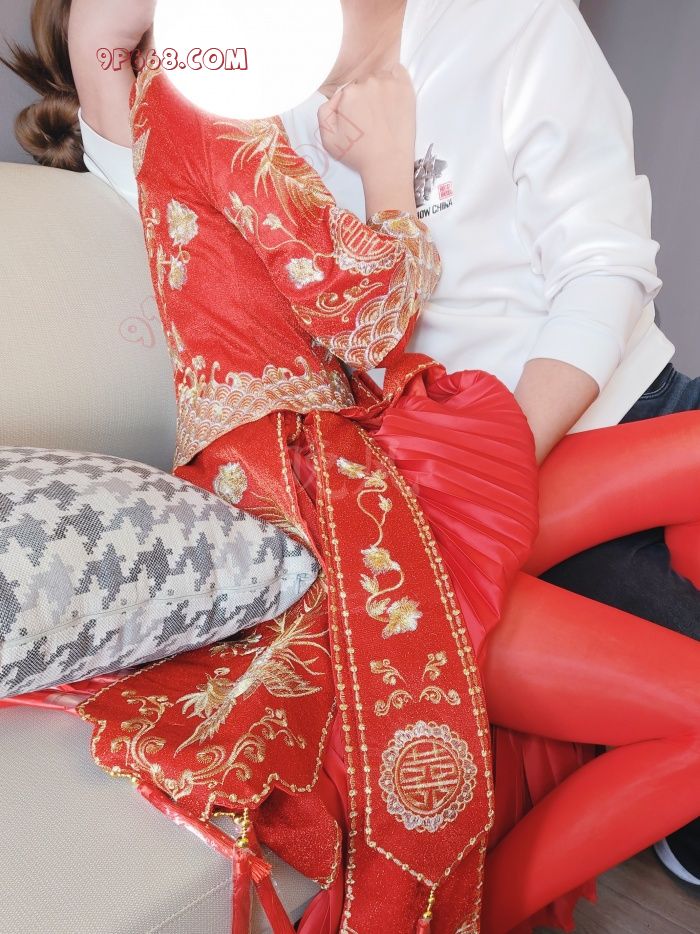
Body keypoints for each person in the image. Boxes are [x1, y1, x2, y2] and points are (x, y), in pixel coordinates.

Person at [3, 2, 700, 931]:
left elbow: (604, 268)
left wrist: (494, 470)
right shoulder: (226, 84)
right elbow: (130, 115)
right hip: (404, 466)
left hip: (580, 413)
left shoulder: (506, 24)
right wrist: (385, 173)